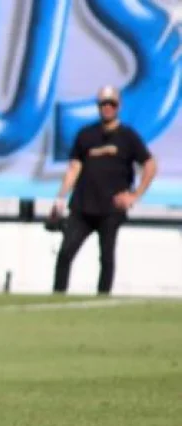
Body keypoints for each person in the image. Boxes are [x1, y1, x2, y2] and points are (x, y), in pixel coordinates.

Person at [52, 85, 157, 295]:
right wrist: (60, 197)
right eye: (103, 104)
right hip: (83, 205)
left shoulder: (127, 136)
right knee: (65, 253)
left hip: (111, 208)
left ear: (118, 106)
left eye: (111, 104)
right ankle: (58, 295)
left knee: (106, 257)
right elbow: (74, 167)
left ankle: (103, 297)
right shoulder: (86, 135)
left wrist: (135, 195)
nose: (107, 107)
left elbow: (150, 164)